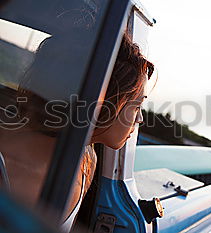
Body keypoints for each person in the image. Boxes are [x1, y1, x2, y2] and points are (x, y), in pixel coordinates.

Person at [0, 33, 154, 231]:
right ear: (104, 102)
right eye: (137, 105)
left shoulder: (87, 161)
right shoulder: (7, 167)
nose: (140, 119)